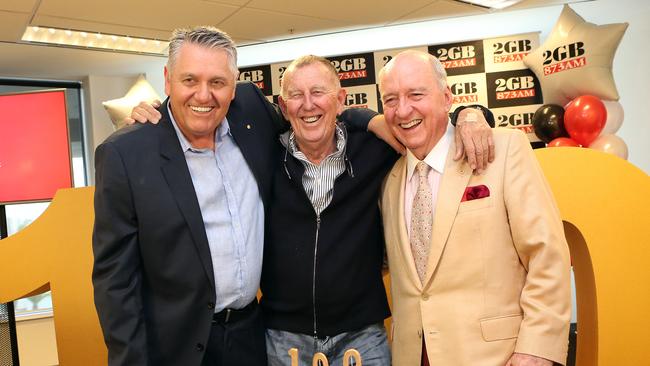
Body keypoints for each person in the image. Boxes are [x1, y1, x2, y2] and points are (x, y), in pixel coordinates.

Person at [92, 26, 284, 366]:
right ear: (168, 80)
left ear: (234, 85)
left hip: (251, 337)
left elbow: (314, 121)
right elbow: (116, 281)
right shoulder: (126, 153)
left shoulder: (252, 111)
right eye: (189, 80)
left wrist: (367, 121)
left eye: (217, 82)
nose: (203, 95)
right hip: (174, 349)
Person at [378, 49, 571, 366]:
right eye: (390, 100)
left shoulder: (504, 149)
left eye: (416, 94)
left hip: (498, 358)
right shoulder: (389, 180)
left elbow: (547, 254)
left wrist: (537, 349)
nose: (403, 110)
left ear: (446, 97)